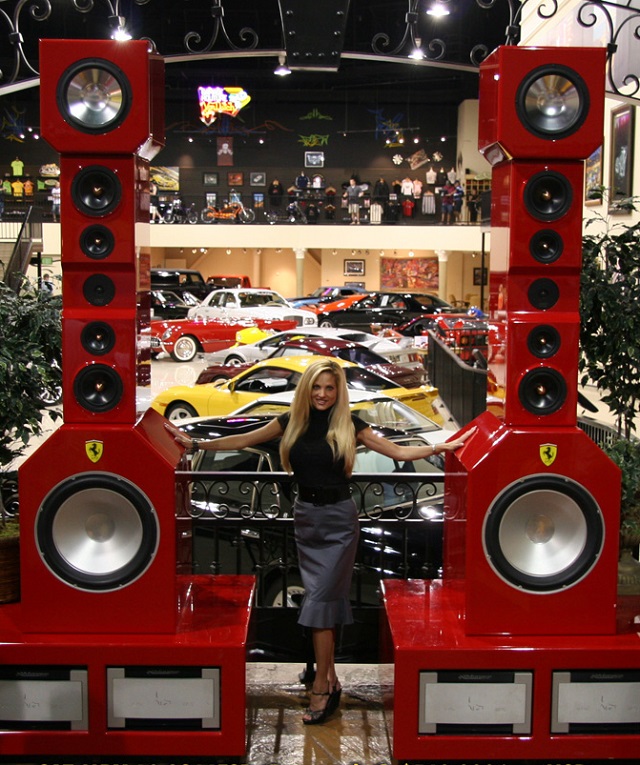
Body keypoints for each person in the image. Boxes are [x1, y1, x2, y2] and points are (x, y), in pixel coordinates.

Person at [165, 358, 475, 725]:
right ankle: (331, 679)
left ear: (338, 391)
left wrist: (443, 447)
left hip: (339, 523)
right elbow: (244, 440)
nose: (323, 394)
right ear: (306, 389)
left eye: (330, 388)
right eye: (317, 387)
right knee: (324, 602)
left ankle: (322, 686)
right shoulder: (291, 422)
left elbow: (398, 452)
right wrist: (196, 442)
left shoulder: (350, 424)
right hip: (306, 520)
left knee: (320, 601)